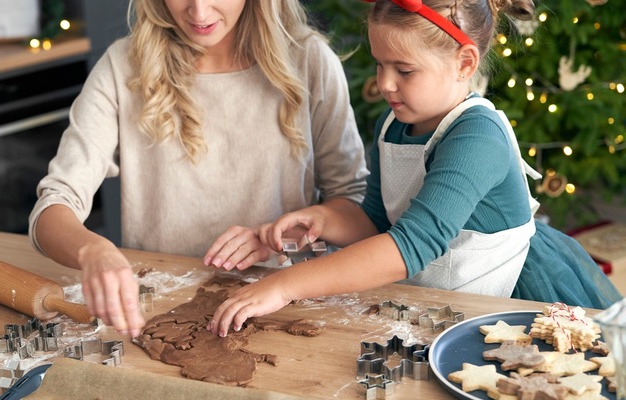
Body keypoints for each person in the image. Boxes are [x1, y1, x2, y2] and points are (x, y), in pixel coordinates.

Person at [208, 0, 622, 337]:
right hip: (447, 302)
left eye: (404, 70)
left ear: (464, 63)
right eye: (379, 64)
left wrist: (284, 285)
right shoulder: (395, 124)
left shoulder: (477, 137)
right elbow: (374, 220)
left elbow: (412, 245)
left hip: (513, 299)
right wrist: (319, 218)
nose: (385, 83)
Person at [28, 0, 369, 337]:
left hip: (281, 307)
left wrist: (283, 237)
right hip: (154, 309)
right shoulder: (123, 66)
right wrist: (93, 251)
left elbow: (354, 209)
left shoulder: (309, 60)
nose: (199, 12)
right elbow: (54, 204)